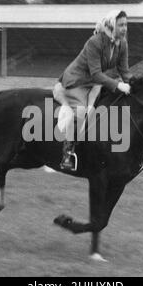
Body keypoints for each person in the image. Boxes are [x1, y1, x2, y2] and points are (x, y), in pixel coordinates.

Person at [53, 10, 134, 171]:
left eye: (126, 24)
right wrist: (118, 85)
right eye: (121, 25)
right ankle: (68, 154)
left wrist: (135, 84)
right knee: (82, 112)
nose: (125, 28)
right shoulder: (95, 42)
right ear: (112, 25)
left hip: (96, 83)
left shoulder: (122, 43)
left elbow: (124, 71)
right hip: (77, 81)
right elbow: (96, 74)